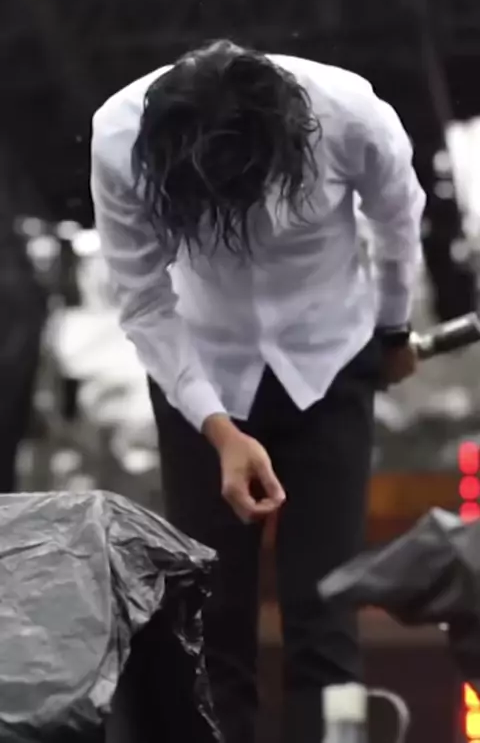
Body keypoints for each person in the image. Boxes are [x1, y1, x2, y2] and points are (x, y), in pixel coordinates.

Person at [90, 40, 425, 743]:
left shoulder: (351, 114)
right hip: (200, 380)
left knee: (328, 608)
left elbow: (397, 217)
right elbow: (144, 301)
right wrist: (219, 430)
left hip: (329, 367)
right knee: (209, 615)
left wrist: (393, 329)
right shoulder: (119, 139)